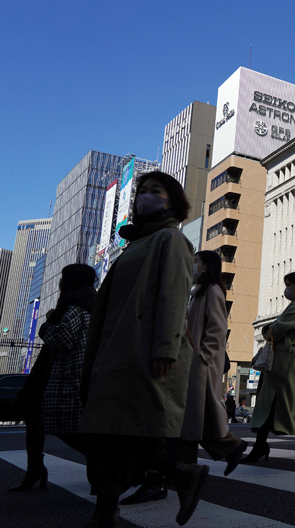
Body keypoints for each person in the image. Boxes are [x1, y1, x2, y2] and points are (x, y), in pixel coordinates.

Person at [79, 172, 207, 528]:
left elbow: (174, 295)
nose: (144, 197)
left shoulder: (171, 239)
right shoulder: (136, 243)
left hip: (142, 350)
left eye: (155, 191)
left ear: (173, 201)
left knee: (118, 430)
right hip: (118, 348)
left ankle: (106, 512)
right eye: (142, 192)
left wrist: (165, 347)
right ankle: (181, 476)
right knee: (116, 429)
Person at [121, 250, 248, 505]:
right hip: (190, 363)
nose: (193, 266)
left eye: (196, 262)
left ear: (206, 265)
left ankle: (179, 473)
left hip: (197, 365)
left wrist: (202, 357)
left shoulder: (211, 290)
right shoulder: (199, 291)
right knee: (187, 423)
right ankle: (210, 458)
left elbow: (218, 328)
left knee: (183, 422)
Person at [8, 264, 96, 492]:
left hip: (66, 377)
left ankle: (107, 461)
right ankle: (34, 468)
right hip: (59, 376)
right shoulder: (86, 304)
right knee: (35, 420)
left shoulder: (75, 307)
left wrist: (45, 327)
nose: (60, 282)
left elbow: (62, 339)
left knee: (63, 427)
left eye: (63, 278)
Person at [240, 272, 295, 463]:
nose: (286, 289)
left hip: (285, 363)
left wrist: (268, 329)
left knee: (282, 405)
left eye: (289, 285)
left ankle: (261, 445)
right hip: (283, 362)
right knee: (281, 405)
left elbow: (274, 330)